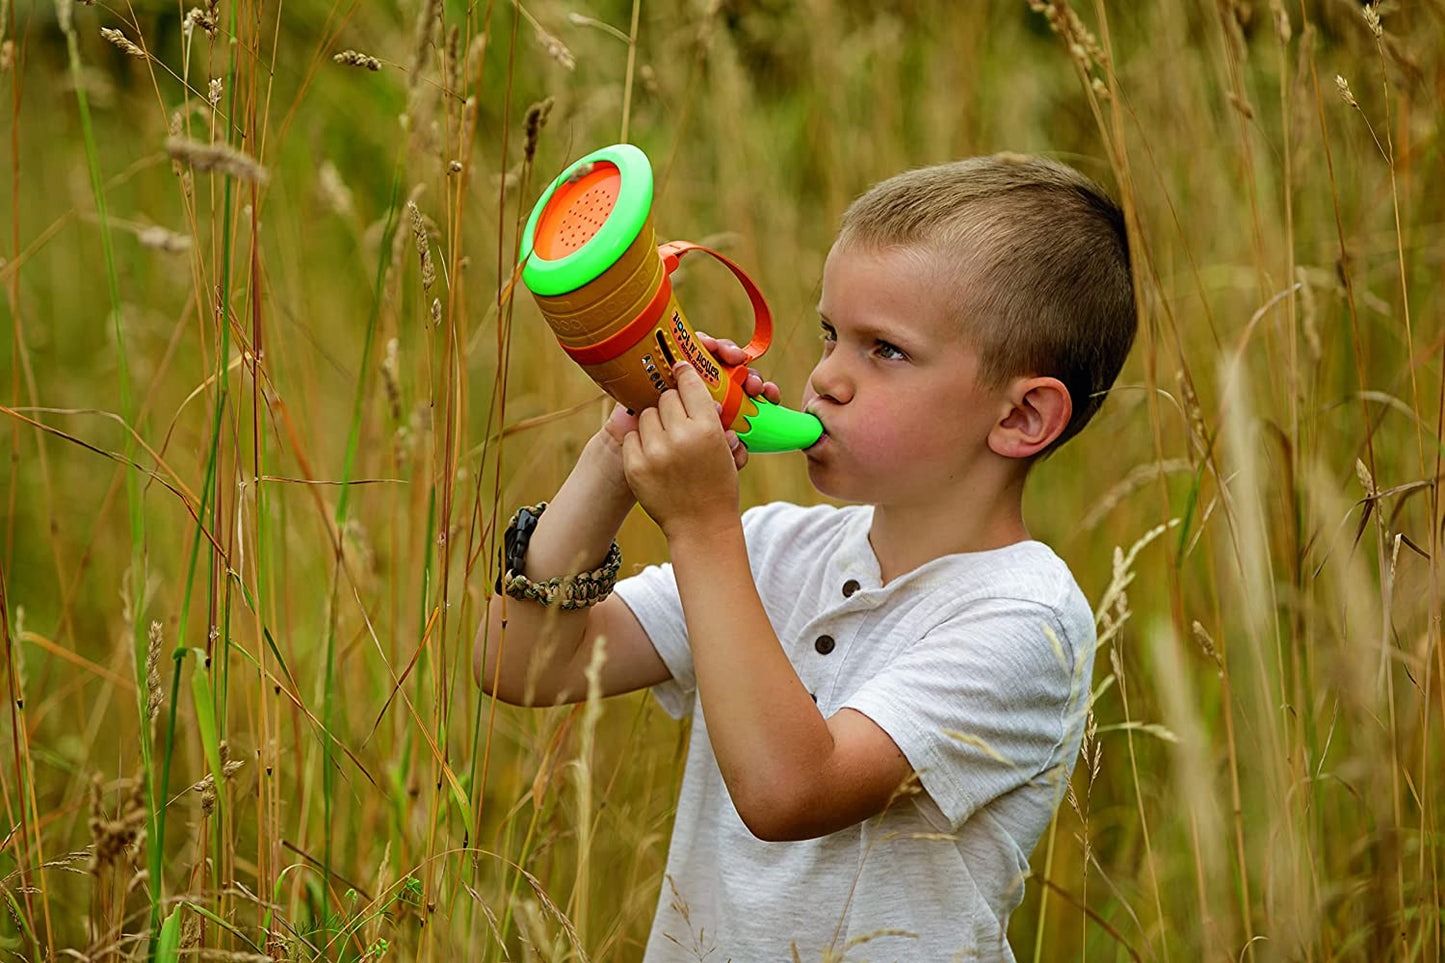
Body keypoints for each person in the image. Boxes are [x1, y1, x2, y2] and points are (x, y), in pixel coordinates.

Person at [474, 152, 1136, 961]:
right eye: (830, 334)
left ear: (1023, 416)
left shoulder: (1024, 619)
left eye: (882, 350)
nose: (824, 376)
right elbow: (521, 664)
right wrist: (615, 456)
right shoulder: (774, 547)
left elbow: (790, 790)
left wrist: (701, 526)